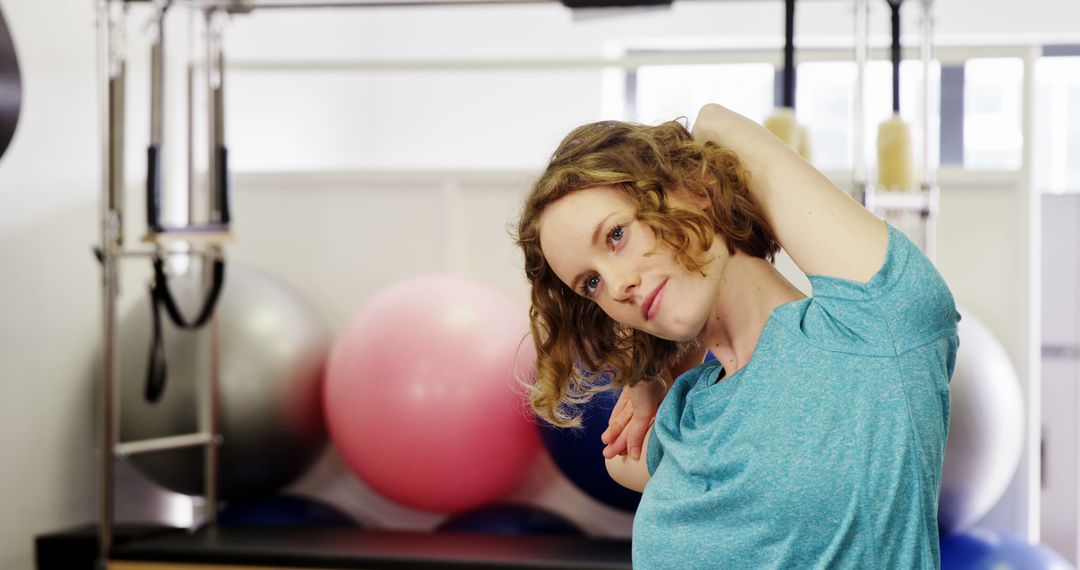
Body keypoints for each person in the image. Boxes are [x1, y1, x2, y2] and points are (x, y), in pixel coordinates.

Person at [514, 103, 960, 568]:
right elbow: (621, 458)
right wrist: (649, 370)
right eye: (591, 284)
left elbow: (713, 122)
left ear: (695, 186)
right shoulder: (685, 413)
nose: (617, 286)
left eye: (616, 235)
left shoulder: (872, 329)